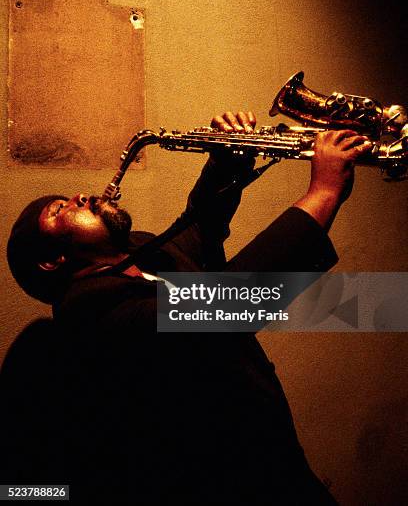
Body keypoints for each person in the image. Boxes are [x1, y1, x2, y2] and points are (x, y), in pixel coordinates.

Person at [3, 110, 372, 504]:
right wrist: (323, 193)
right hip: (231, 485)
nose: (78, 196)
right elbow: (227, 307)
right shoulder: (95, 319)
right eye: (59, 210)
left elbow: (200, 231)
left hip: (277, 464)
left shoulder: (136, 253)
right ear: (52, 260)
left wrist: (226, 160)